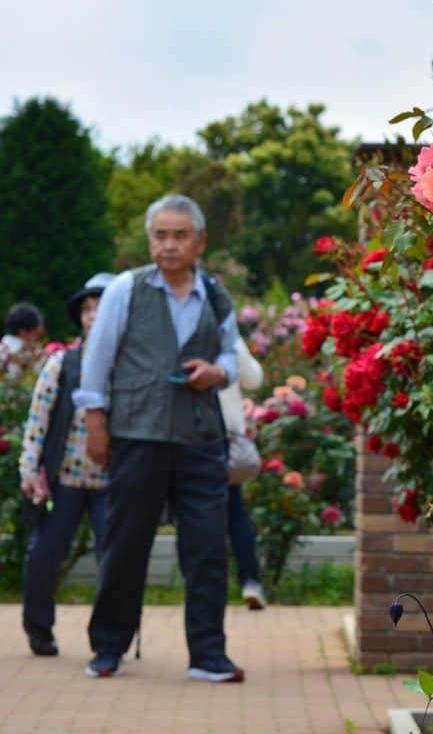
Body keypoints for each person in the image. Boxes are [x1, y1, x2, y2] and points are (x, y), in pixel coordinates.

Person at [76, 193, 244, 682]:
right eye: (160, 235)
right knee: (125, 545)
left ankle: (208, 655)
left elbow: (234, 359)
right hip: (137, 436)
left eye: (179, 236)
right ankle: (108, 648)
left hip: (201, 439)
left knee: (209, 549)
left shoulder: (215, 294)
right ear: (150, 239)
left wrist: (215, 371)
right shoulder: (124, 290)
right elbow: (97, 361)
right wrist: (94, 424)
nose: (169, 246)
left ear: (200, 241)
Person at [19, 275, 114, 656]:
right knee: (45, 552)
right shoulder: (62, 363)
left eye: (101, 308)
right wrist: (29, 469)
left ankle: (109, 636)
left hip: (112, 479)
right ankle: (38, 627)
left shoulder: (128, 366)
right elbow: (38, 419)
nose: (93, 316)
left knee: (117, 558)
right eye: (87, 310)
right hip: (64, 478)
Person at [219, 337, 267, 609]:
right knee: (235, 512)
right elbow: (254, 379)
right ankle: (250, 580)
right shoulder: (228, 336)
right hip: (226, 436)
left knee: (195, 514)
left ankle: (210, 586)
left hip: (191, 437)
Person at [2, 302, 46, 378]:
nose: (37, 335)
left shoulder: (3, 347)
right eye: (35, 330)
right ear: (23, 332)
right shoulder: (27, 353)